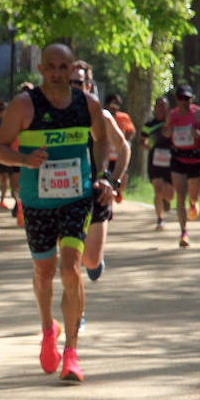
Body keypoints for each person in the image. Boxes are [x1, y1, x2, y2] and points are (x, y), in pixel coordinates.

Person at [0, 43, 127, 383]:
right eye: (50, 66)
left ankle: (71, 352)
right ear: (40, 69)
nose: (57, 73)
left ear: (72, 69)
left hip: (76, 198)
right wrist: (24, 159)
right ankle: (47, 330)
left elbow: (100, 141)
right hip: (37, 202)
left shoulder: (88, 105)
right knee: (43, 272)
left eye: (63, 67)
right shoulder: (25, 106)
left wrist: (101, 176)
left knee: (70, 270)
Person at [77, 66, 130, 284]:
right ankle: (75, 314)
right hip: (64, 190)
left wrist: (114, 181)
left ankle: (94, 258)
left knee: (90, 263)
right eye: (69, 83)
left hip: (97, 188)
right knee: (69, 263)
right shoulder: (53, 116)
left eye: (78, 83)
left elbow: (124, 147)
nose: (74, 88)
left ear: (88, 85)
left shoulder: (102, 116)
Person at [161, 83, 200, 248]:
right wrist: (168, 131)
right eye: (181, 98)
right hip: (178, 157)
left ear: (191, 99)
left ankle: (194, 204)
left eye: (187, 98)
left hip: (196, 158)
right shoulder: (172, 115)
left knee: (192, 196)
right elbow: (165, 132)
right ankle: (183, 232)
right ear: (176, 99)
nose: (184, 101)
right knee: (180, 196)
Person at [139, 96, 175, 230]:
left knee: (170, 195)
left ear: (168, 109)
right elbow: (142, 142)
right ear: (154, 108)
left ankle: (166, 201)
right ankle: (160, 219)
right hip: (154, 162)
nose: (160, 108)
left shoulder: (173, 124)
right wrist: (147, 145)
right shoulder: (148, 126)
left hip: (170, 163)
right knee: (158, 191)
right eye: (158, 105)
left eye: (163, 106)